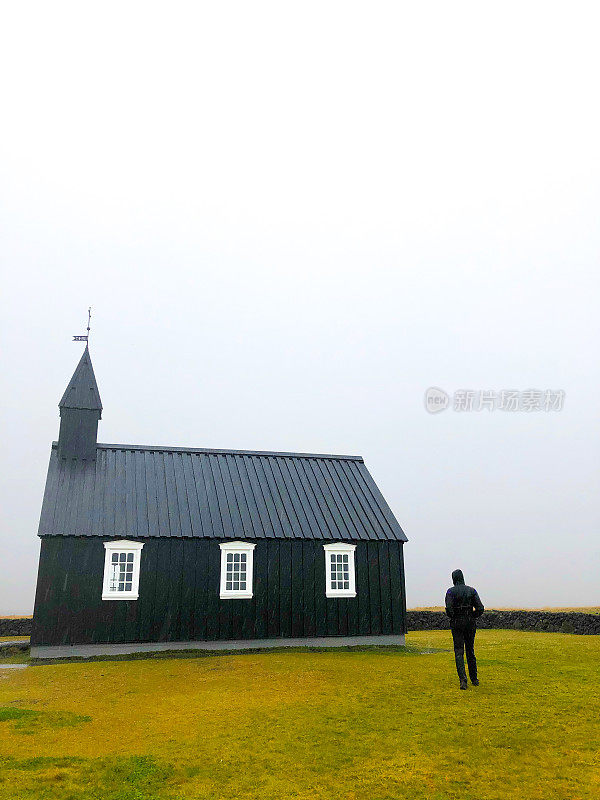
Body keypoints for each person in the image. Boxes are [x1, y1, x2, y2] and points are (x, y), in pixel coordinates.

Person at [445, 569, 484, 690]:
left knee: (458, 651)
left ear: (454, 579)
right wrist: (471, 616)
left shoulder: (451, 592)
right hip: (470, 622)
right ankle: (474, 679)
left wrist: (455, 616)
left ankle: (463, 680)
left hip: (457, 623)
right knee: (470, 650)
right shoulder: (471, 591)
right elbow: (480, 608)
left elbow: (449, 609)